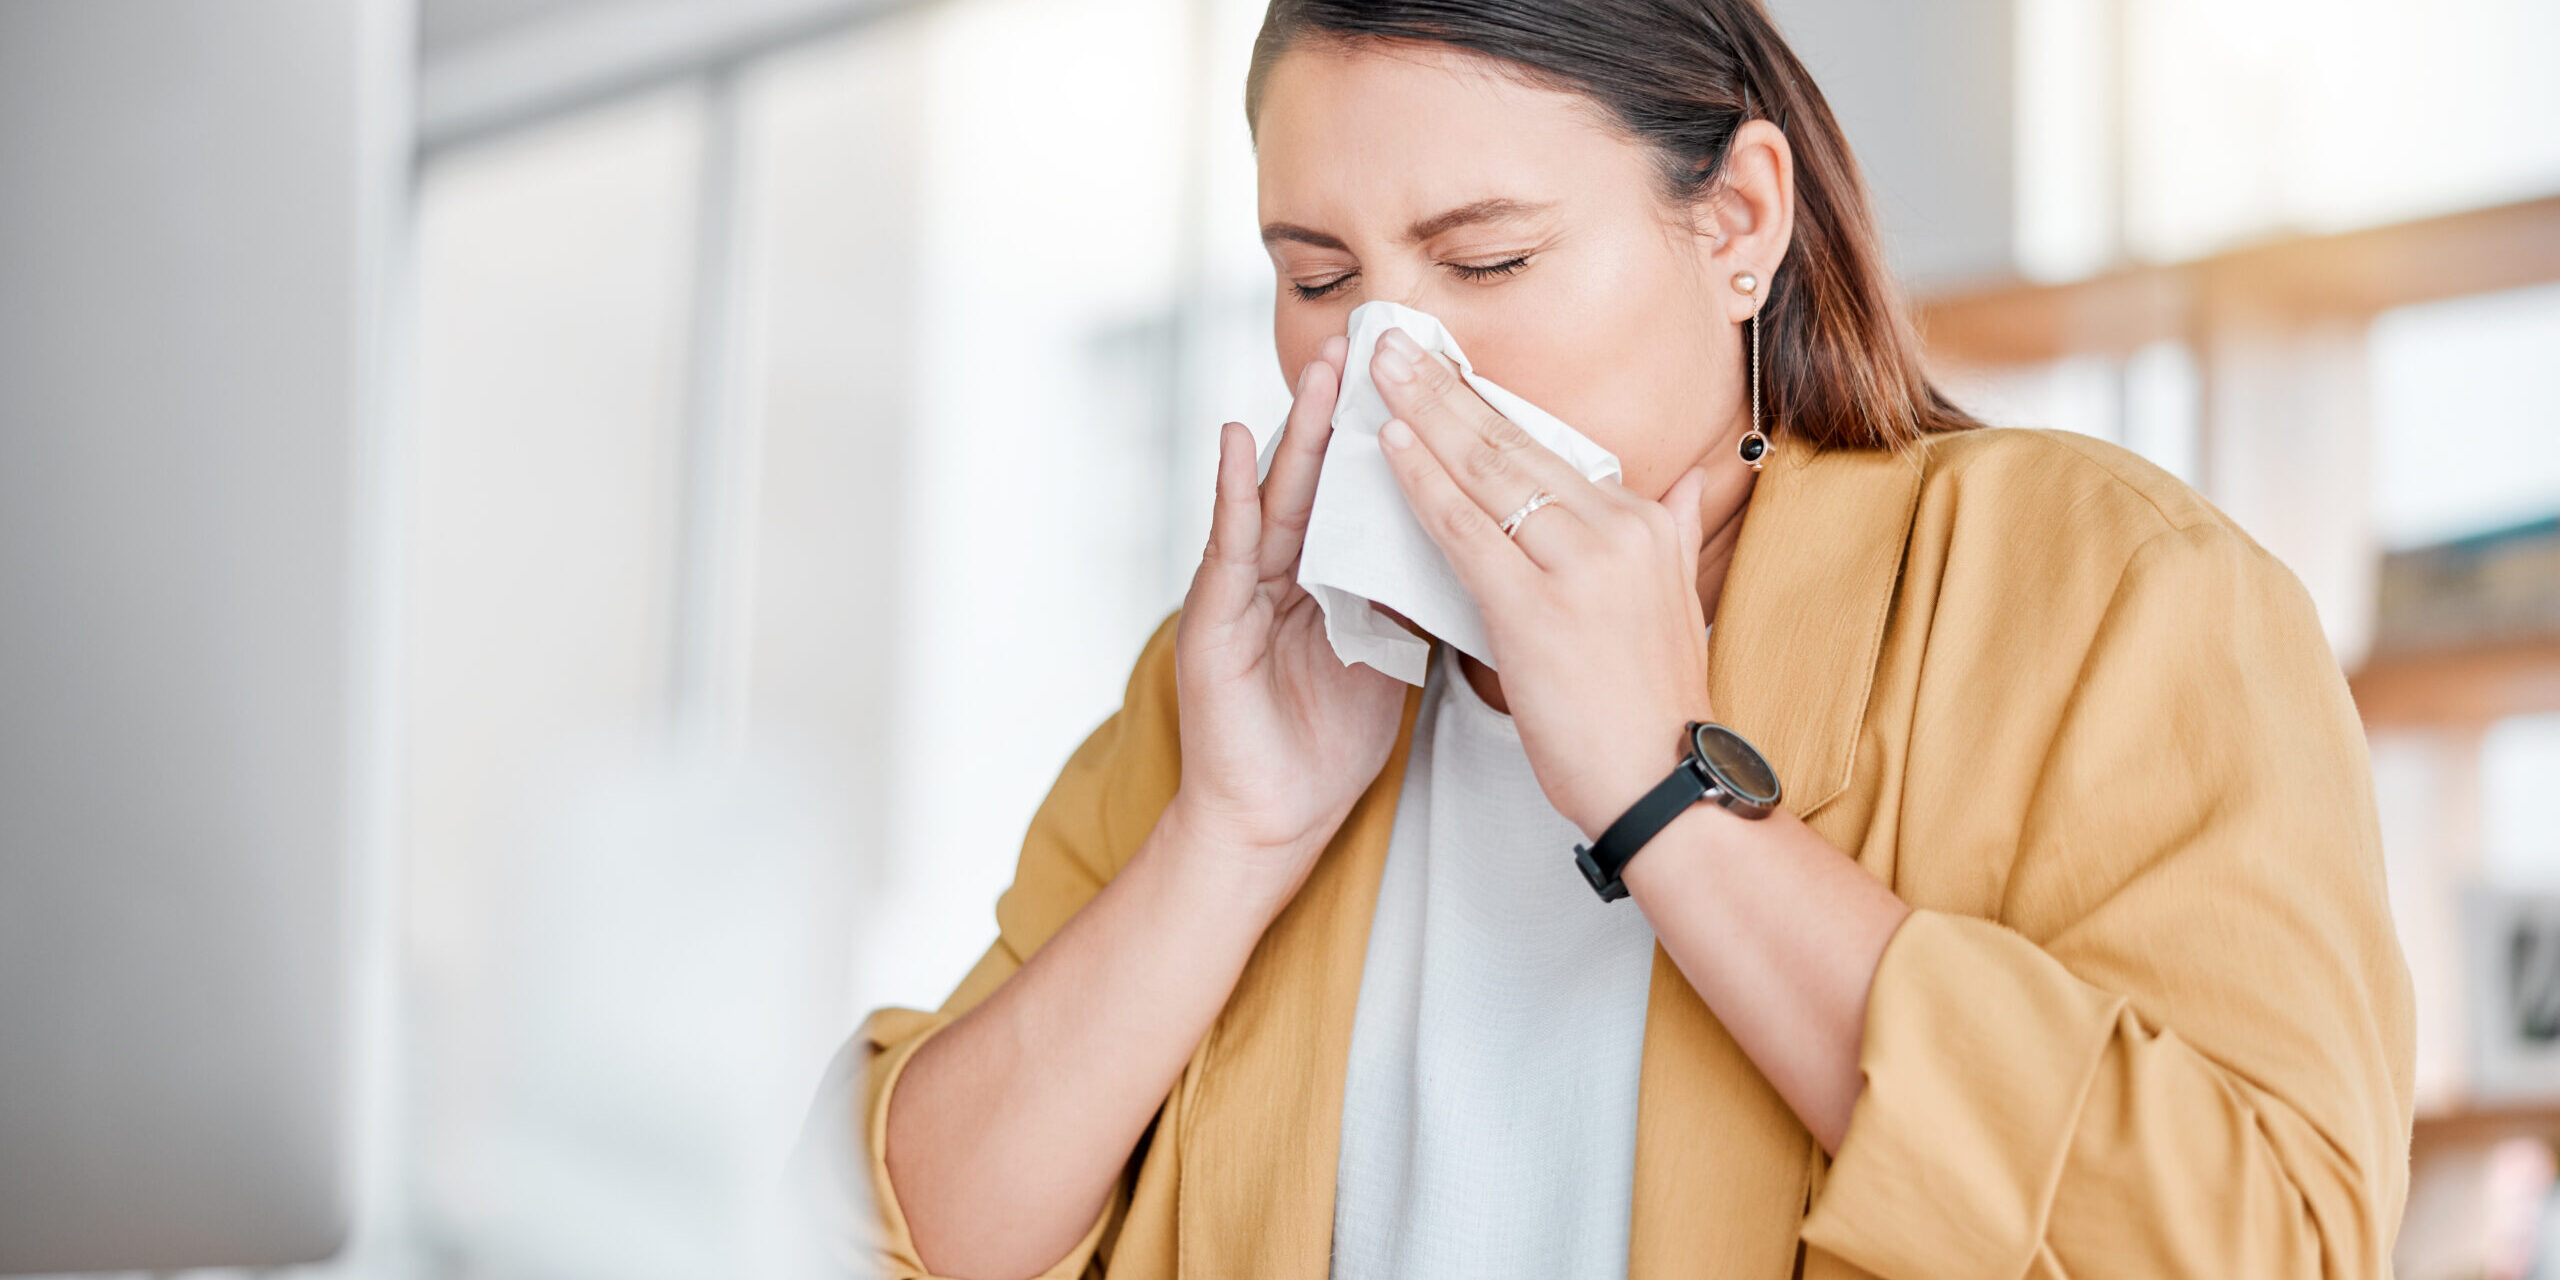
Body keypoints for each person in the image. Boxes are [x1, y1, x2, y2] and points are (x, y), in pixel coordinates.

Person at [791, 2, 2417, 1277]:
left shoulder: (2108, 589)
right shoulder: (1227, 690)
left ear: (1738, 226)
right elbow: (868, 1245)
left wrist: (1666, 800)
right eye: (1319, 276)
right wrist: (1233, 833)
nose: (1390, 358)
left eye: (1487, 258)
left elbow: (2260, 1240)